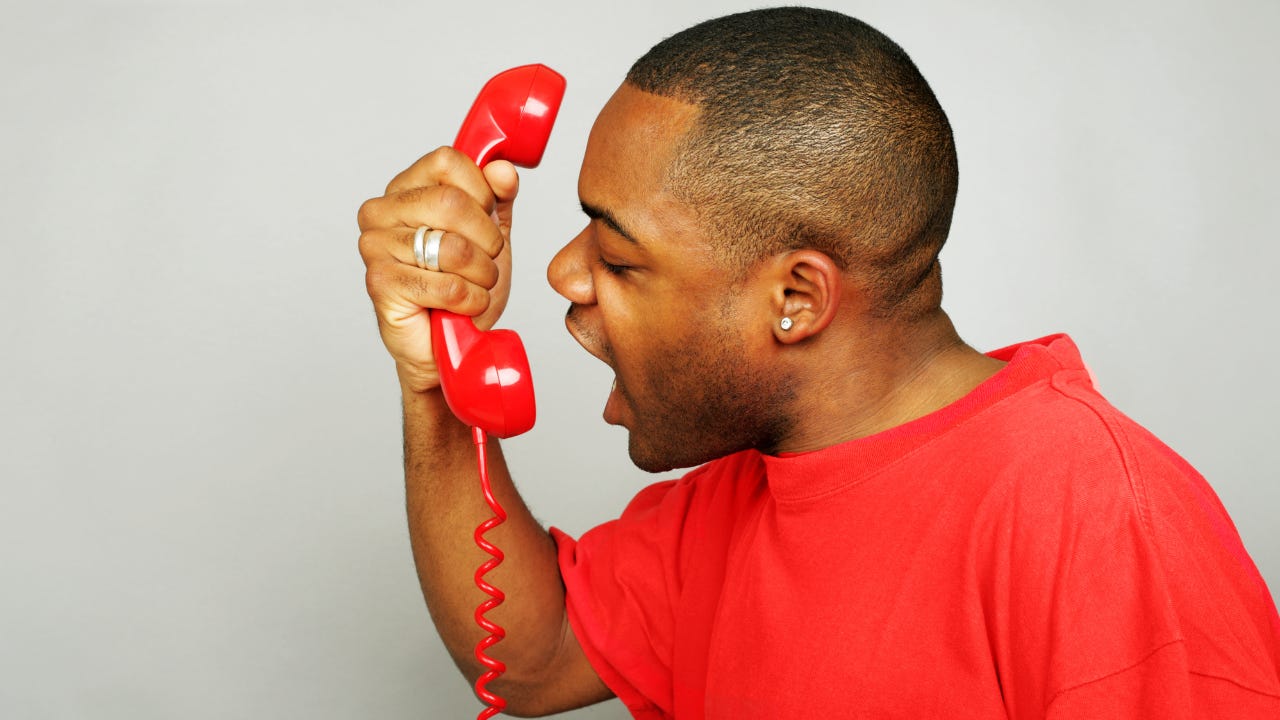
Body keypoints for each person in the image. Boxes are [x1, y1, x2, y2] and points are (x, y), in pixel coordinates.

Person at [356, 7, 1280, 719]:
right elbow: (531, 656)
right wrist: (434, 381)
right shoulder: (742, 489)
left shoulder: (1097, 517)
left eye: (620, 258)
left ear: (796, 298)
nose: (562, 273)